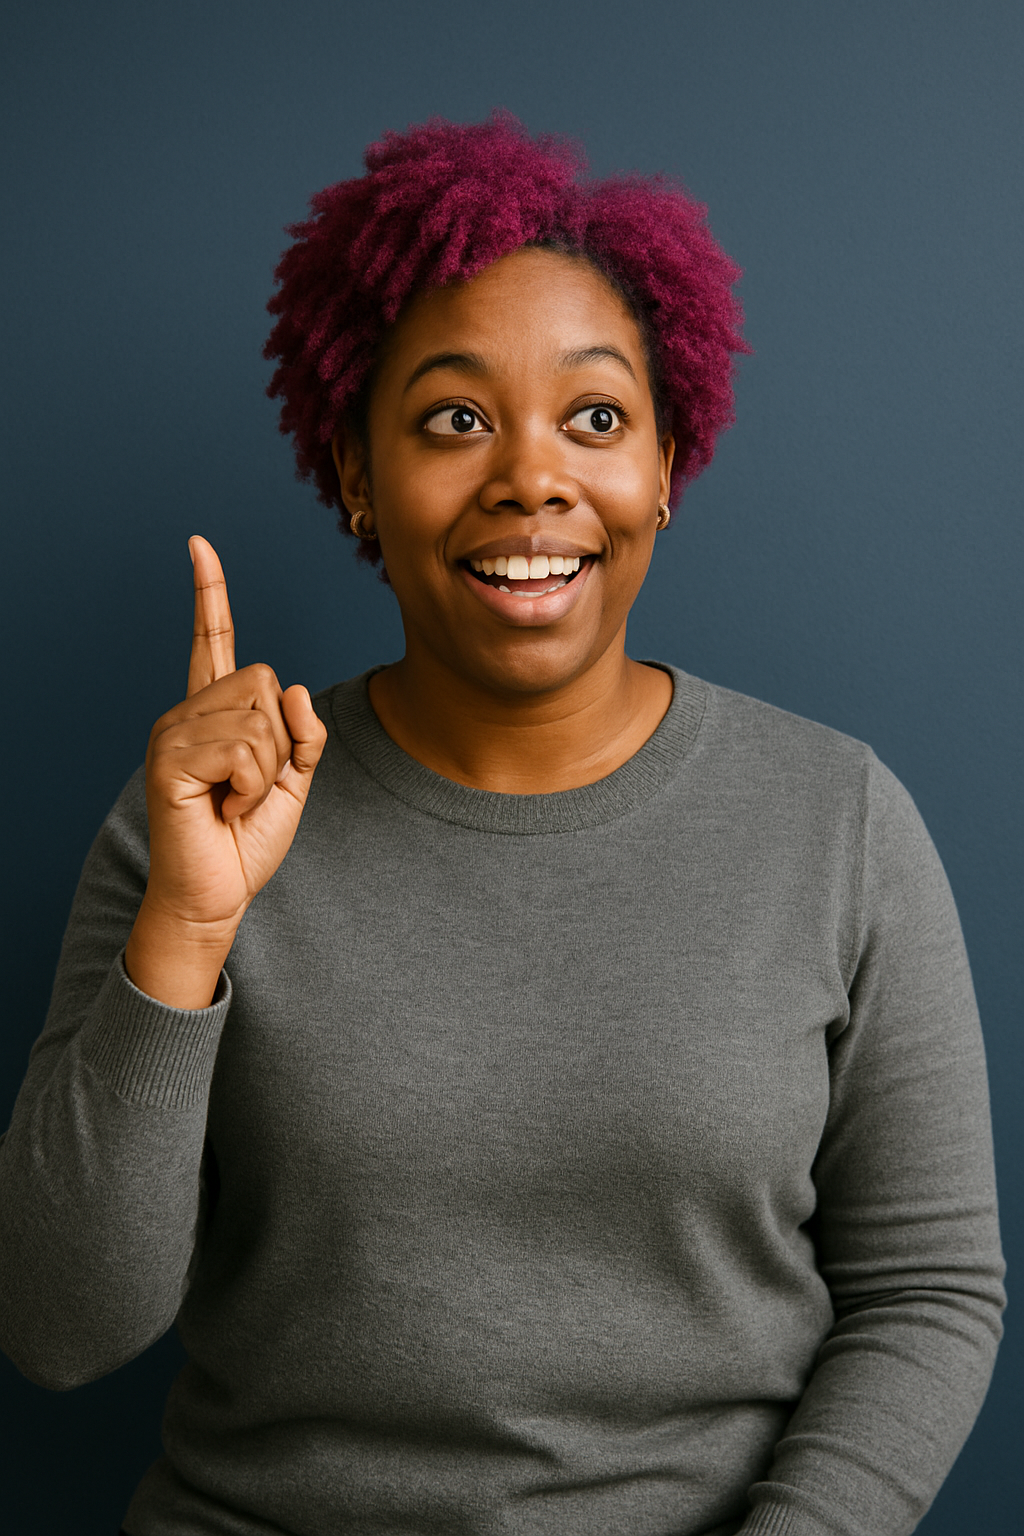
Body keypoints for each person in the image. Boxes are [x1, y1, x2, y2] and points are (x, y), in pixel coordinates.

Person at [0, 114, 1005, 1536]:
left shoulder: (835, 820)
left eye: (595, 419)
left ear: (668, 463)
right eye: (455, 419)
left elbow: (930, 1292)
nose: (532, 477)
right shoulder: (198, 822)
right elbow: (61, 1329)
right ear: (356, 474)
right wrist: (190, 927)